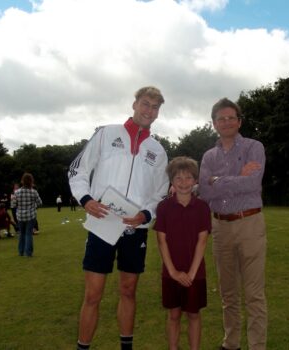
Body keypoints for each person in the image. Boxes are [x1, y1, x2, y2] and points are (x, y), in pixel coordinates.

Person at [68, 86, 169, 350]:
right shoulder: (106, 134)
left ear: (158, 113)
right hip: (103, 224)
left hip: (135, 228)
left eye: (155, 107)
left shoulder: (157, 151)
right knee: (93, 294)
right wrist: (86, 199)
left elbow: (160, 193)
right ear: (134, 104)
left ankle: (126, 347)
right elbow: (77, 171)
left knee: (128, 291)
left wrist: (146, 213)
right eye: (145, 104)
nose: (149, 111)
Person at [199, 98, 267, 350]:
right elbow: (204, 192)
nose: (226, 122)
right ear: (214, 123)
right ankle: (231, 343)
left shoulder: (254, 147)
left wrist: (217, 180)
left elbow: (252, 184)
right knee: (228, 293)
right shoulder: (208, 155)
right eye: (221, 118)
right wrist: (236, 177)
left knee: (254, 294)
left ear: (239, 121)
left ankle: (257, 346)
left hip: (249, 223)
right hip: (220, 227)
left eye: (231, 118)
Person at [154, 157, 211, 350]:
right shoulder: (163, 207)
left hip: (196, 273)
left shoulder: (203, 207)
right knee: (174, 314)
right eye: (178, 178)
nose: (183, 182)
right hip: (171, 272)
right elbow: (161, 241)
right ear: (171, 181)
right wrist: (173, 272)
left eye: (188, 178)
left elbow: (202, 240)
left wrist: (192, 274)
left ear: (195, 180)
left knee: (194, 314)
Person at [15, 173, 42, 257]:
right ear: (31, 181)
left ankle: (21, 252)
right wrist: (34, 207)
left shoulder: (17, 192)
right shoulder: (34, 192)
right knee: (28, 234)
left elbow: (14, 204)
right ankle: (28, 253)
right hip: (31, 216)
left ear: (22, 181)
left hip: (20, 216)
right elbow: (40, 203)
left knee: (21, 234)